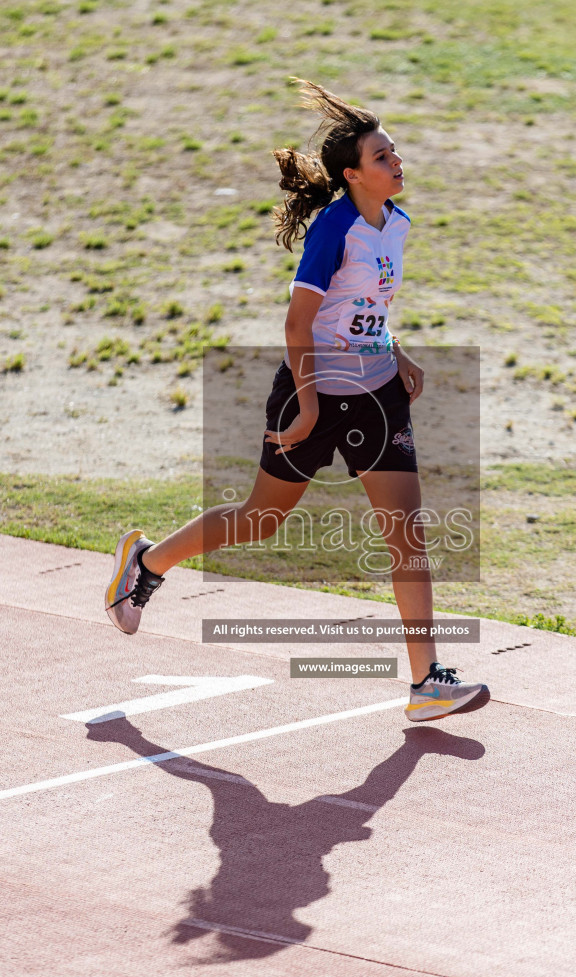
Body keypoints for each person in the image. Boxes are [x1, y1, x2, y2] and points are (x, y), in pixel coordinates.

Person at [105, 79, 487, 722]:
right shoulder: (335, 228)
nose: (397, 163)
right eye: (383, 157)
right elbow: (297, 326)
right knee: (261, 518)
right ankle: (146, 562)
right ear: (353, 174)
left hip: (375, 394)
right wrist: (308, 406)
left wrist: (398, 352)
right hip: (311, 389)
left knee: (406, 535)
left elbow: (364, 308)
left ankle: (426, 683)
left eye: (394, 152)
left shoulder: (396, 224)